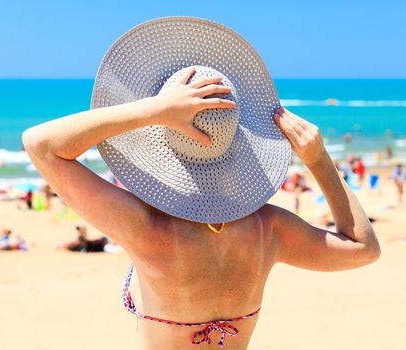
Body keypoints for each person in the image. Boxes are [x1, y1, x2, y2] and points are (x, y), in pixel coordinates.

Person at [22, 17, 380, 349]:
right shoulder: (266, 228)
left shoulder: (146, 226)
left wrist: (154, 109)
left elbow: (43, 145)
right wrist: (318, 161)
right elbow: (363, 249)